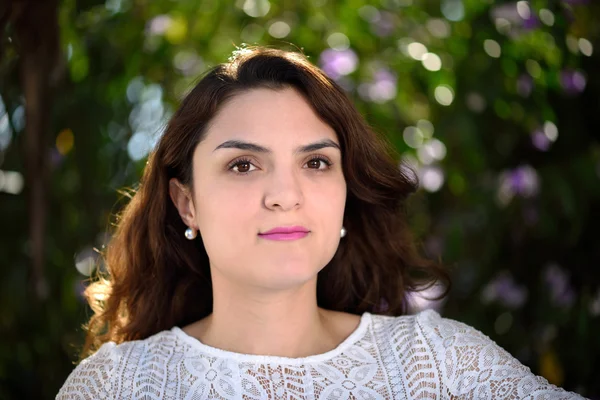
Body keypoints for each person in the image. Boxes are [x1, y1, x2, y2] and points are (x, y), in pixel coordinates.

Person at [56, 46, 586, 399]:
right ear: (185, 202)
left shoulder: (442, 366)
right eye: (243, 164)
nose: (286, 195)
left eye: (316, 163)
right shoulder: (116, 386)